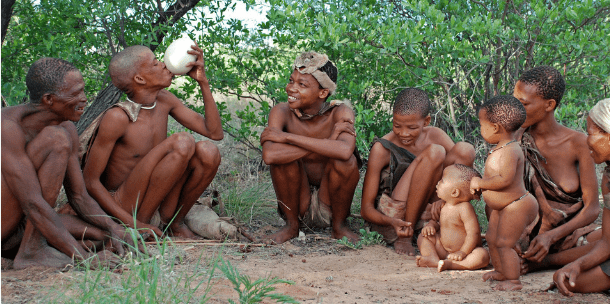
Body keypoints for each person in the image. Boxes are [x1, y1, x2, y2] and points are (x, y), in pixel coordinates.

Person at [1, 58, 136, 269]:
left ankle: (35, 247)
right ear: (49, 99)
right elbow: (32, 203)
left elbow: (78, 196)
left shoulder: (67, 128)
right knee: (56, 139)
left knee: (105, 237)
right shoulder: (7, 128)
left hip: (24, 225)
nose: (84, 99)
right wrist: (85, 259)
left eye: (83, 91)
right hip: (8, 221)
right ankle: (32, 251)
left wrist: (115, 227)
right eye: (75, 93)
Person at [81, 44, 223, 239]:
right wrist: (133, 224)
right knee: (182, 141)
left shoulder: (164, 100)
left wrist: (203, 81)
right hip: (125, 204)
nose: (165, 65)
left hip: (158, 197)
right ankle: (144, 227)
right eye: (156, 63)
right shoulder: (118, 117)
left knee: (208, 151)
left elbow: (214, 132)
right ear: (139, 78)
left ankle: (173, 223)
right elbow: (90, 182)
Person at [260, 51, 360, 244]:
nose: (291, 89)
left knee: (347, 162)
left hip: (329, 204)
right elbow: (270, 155)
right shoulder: (282, 111)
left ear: (323, 93)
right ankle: (291, 227)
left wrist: (286, 137)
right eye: (291, 81)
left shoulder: (340, 112)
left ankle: (339, 227)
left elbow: (344, 151)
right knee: (283, 160)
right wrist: (329, 140)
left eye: (302, 84)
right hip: (298, 203)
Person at [360, 88, 475, 255]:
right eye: (397, 125)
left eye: (412, 127)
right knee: (435, 152)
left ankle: (442, 218)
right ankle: (406, 235)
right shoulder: (381, 148)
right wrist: (392, 221)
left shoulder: (435, 135)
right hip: (398, 214)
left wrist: (444, 201)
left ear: (426, 121)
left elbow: (460, 172)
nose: (403, 133)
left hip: (429, 208)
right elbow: (366, 209)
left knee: (465, 150)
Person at [514, 66, 600, 268]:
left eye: (523, 103)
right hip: (526, 233)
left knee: (607, 238)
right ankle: (528, 255)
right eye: (514, 100)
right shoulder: (515, 139)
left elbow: (592, 208)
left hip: (567, 233)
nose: (515, 109)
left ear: (549, 104)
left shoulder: (578, 143)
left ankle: (545, 262)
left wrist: (551, 236)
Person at [470, 95, 539, 291]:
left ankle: (513, 280)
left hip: (517, 205)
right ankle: (501, 271)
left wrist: (481, 183)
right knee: (492, 238)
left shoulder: (510, 150)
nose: (481, 129)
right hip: (503, 207)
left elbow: (505, 180)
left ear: (495, 128)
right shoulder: (500, 147)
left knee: (504, 242)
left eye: (482, 125)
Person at [548, 98, 610, 296]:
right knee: (572, 281)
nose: (586, 140)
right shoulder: (608, 178)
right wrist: (577, 265)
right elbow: (608, 242)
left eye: (590, 133)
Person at [415, 164, 490, 272]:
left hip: (465, 253)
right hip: (443, 249)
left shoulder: (465, 208)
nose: (438, 182)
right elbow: (436, 222)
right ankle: (433, 258)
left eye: (442, 180)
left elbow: (473, 233)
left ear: (454, 192)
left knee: (482, 256)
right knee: (423, 237)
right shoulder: (442, 205)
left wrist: (463, 252)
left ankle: (453, 265)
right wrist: (431, 226)